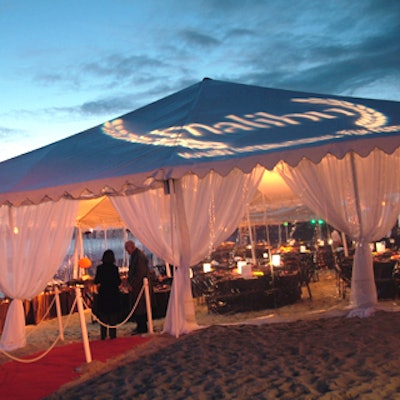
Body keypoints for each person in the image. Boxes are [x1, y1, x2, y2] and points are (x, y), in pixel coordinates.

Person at [124, 240, 152, 334]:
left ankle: (142, 327)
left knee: (141, 308)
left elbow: (140, 273)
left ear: (131, 247)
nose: (126, 252)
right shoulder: (136, 255)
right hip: (138, 286)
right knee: (139, 307)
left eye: (127, 249)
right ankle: (140, 326)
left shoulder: (138, 257)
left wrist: (132, 284)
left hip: (139, 287)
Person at [94, 249, 121, 340]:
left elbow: (96, 280)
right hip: (113, 293)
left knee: (103, 316)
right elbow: (118, 281)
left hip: (103, 293)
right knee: (113, 315)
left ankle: (103, 334)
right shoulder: (115, 268)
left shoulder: (100, 268)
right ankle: (113, 335)